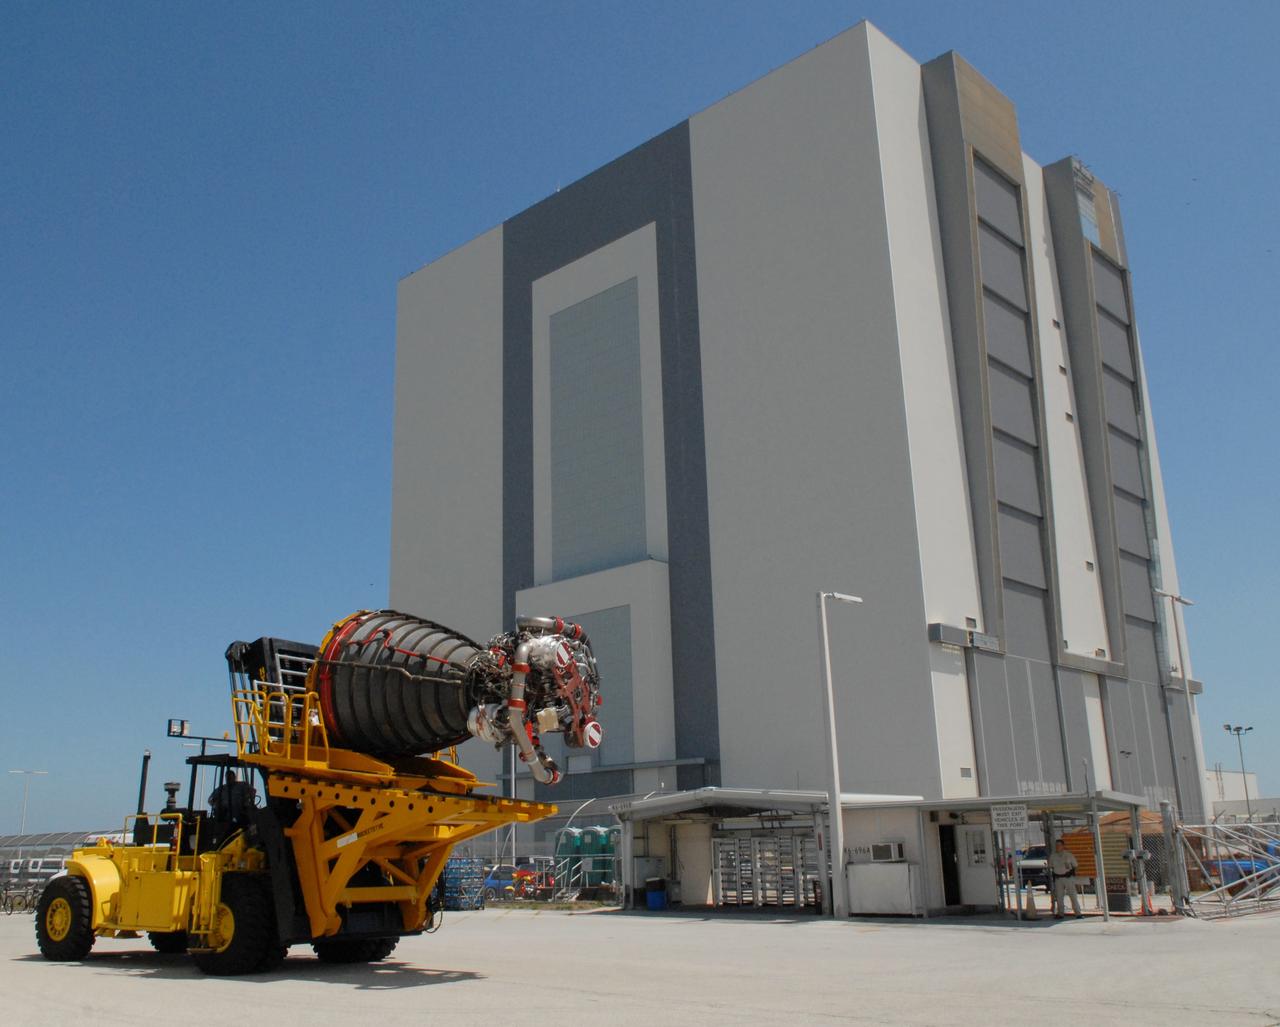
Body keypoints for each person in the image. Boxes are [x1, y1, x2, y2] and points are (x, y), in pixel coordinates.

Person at [1049, 839, 1083, 919]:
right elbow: (1051, 866)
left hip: (1068, 878)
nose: (1057, 847)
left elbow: (1075, 866)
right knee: (1059, 897)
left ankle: (1078, 913)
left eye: (1059, 845)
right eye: (1056, 845)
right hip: (1058, 878)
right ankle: (1060, 913)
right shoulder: (1053, 856)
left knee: (1073, 895)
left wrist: (1072, 873)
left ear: (1063, 846)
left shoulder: (1069, 855)